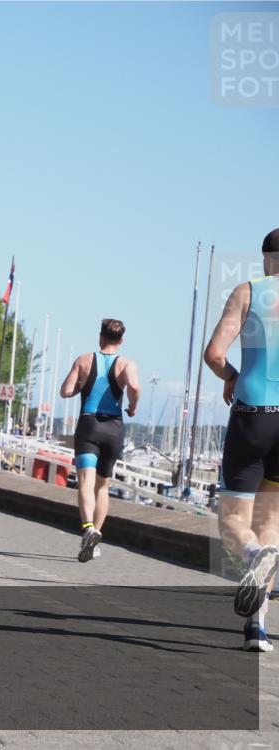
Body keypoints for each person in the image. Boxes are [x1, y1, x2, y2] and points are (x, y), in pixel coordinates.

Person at [204, 228, 279, 651]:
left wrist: (231, 377)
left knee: (234, 523)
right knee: (271, 525)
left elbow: (214, 354)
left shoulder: (248, 291)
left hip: (254, 417)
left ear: (266, 258)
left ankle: (252, 557)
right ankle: (257, 629)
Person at [60, 318, 140, 563]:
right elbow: (135, 387)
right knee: (103, 486)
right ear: (121, 340)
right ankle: (95, 539)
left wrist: (79, 388)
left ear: (100, 336)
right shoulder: (126, 364)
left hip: (89, 424)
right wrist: (133, 407)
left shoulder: (84, 360)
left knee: (85, 479)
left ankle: (88, 529)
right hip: (113, 428)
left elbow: (65, 391)